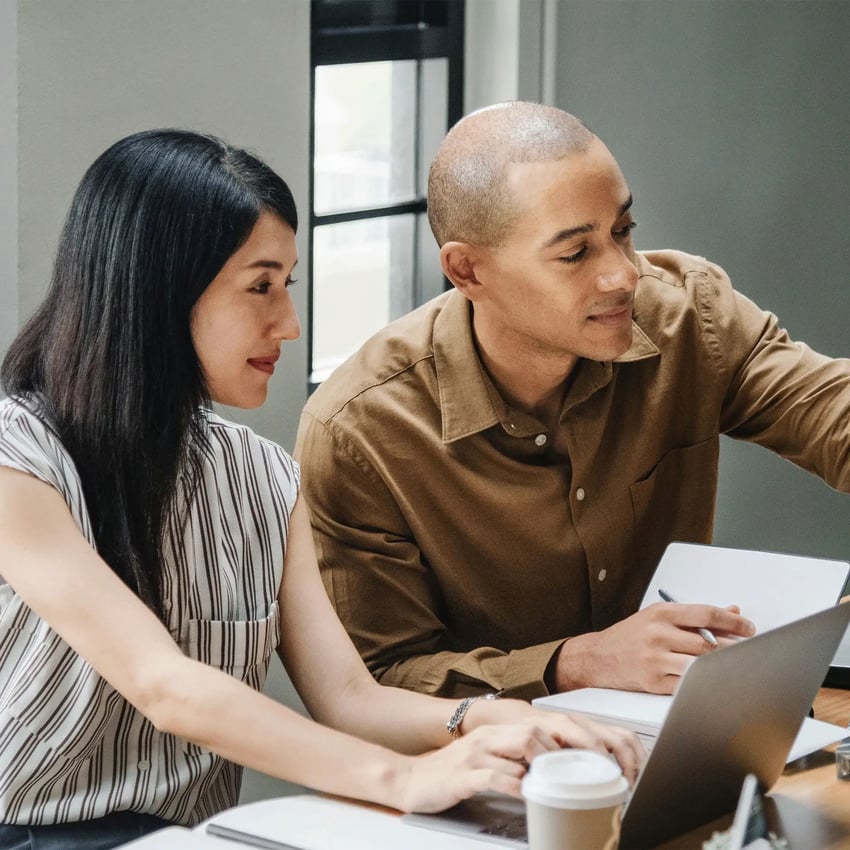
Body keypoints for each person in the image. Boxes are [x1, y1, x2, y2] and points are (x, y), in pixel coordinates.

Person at [0, 129, 642, 850]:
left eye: (289, 284)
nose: (290, 323)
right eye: (260, 287)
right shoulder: (16, 457)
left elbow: (348, 698)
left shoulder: (263, 476)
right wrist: (402, 781)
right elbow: (164, 685)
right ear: (156, 292)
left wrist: (485, 720)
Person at [294, 101, 850, 702]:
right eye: (575, 253)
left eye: (623, 231)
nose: (623, 274)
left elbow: (830, 411)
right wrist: (574, 664)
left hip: (685, 740)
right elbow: (378, 684)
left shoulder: (691, 315)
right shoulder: (360, 432)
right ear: (469, 271)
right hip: (478, 776)